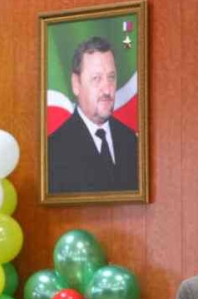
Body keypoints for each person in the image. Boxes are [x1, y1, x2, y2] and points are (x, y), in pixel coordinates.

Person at [48, 36, 139, 195]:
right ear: (76, 84)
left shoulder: (131, 140)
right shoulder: (54, 150)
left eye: (111, 77)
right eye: (96, 79)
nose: (107, 89)